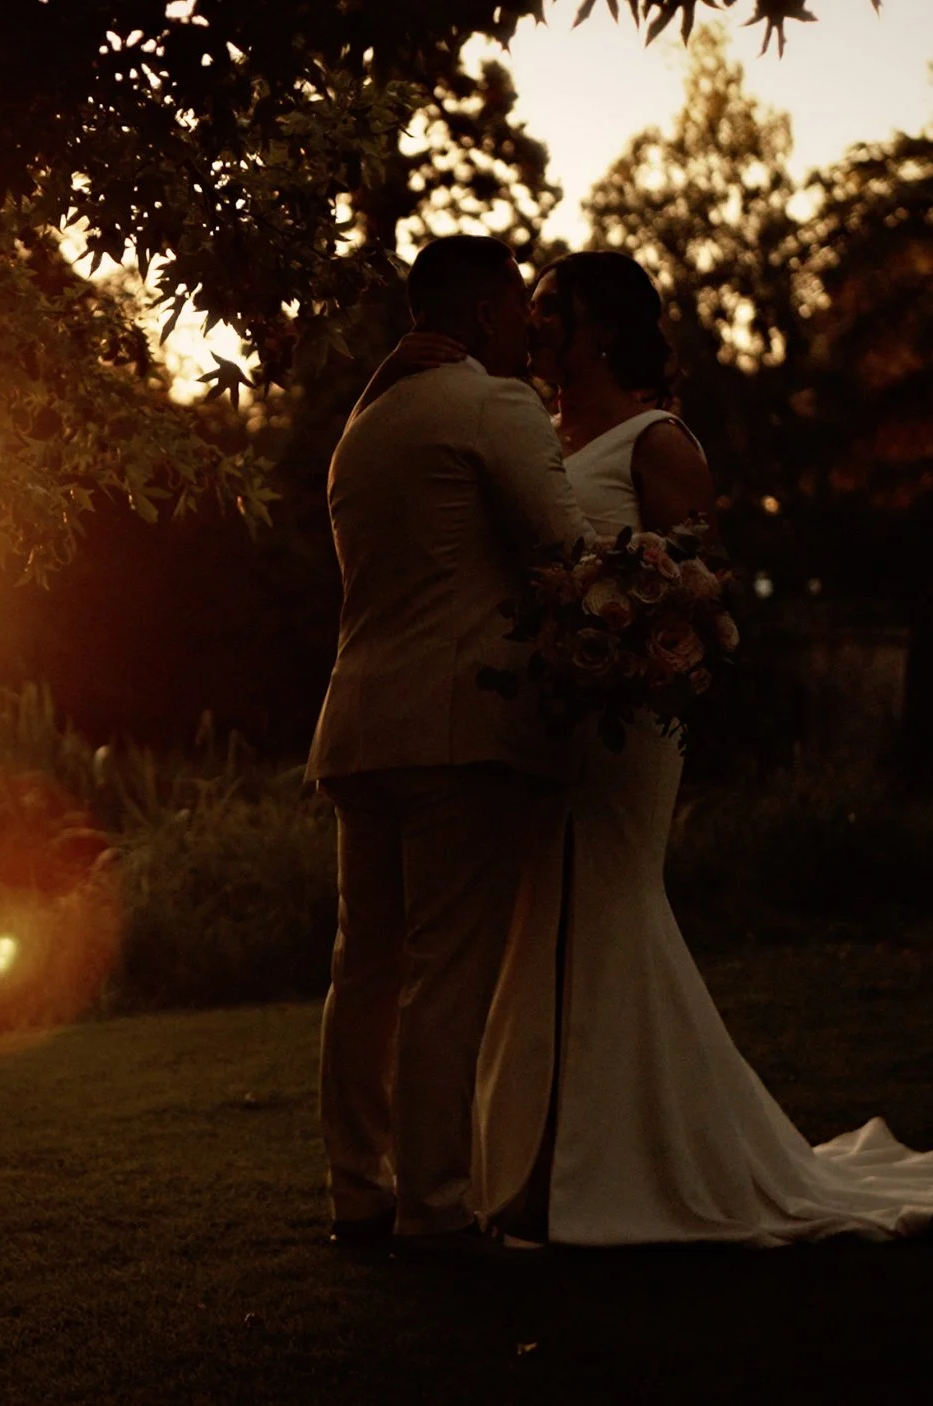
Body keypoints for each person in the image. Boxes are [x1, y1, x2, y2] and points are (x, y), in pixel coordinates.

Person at [362, 249, 933, 1246]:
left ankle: (603, 1166)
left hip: (626, 718)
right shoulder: (529, 431)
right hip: (543, 714)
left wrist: (630, 642)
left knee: (602, 904)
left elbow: (697, 584)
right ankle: (534, 1167)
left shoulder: (658, 439)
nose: (535, 323)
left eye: (554, 308)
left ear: (601, 328)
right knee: (537, 921)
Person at [306, 234, 591, 1245]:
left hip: (358, 721)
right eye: (520, 309)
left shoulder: (362, 425)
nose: (530, 328)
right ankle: (433, 1207)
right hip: (458, 723)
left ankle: (356, 1190)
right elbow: (564, 549)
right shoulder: (493, 402)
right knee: (444, 970)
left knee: (364, 969)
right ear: (481, 315)